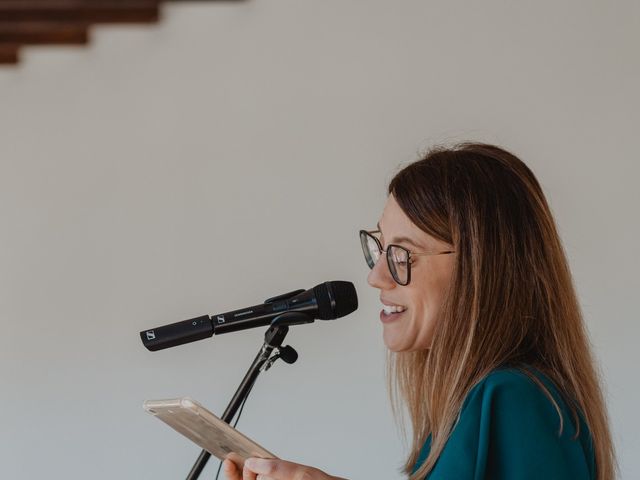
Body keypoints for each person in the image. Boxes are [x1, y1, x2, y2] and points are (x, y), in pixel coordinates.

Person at [223, 142, 616, 480]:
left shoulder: (511, 400)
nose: (377, 277)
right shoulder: (462, 411)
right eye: (381, 248)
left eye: (402, 254)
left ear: (481, 268)